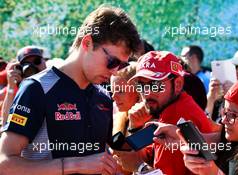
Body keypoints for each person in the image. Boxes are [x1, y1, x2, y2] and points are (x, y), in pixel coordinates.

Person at [0, 5, 140, 175]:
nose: (115, 71)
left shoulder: (103, 97)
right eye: (112, 61)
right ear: (87, 43)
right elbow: (5, 163)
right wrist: (76, 165)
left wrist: (148, 133)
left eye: (121, 65)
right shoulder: (37, 88)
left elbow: (107, 152)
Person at [113, 51, 213, 175]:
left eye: (155, 85)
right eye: (141, 85)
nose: (147, 93)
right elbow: (148, 156)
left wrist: (140, 167)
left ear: (178, 84)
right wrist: (135, 128)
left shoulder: (177, 114)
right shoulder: (170, 108)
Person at [150, 74, 238, 175]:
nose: (223, 120)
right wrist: (178, 135)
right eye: (224, 112)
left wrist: (213, 172)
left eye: (233, 115)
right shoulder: (235, 144)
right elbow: (215, 140)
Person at [1, 46, 47, 126]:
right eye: (27, 64)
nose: (32, 67)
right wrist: (11, 86)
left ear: (44, 61)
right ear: (19, 67)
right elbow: (6, 123)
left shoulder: (56, 83)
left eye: (37, 61)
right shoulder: (18, 88)